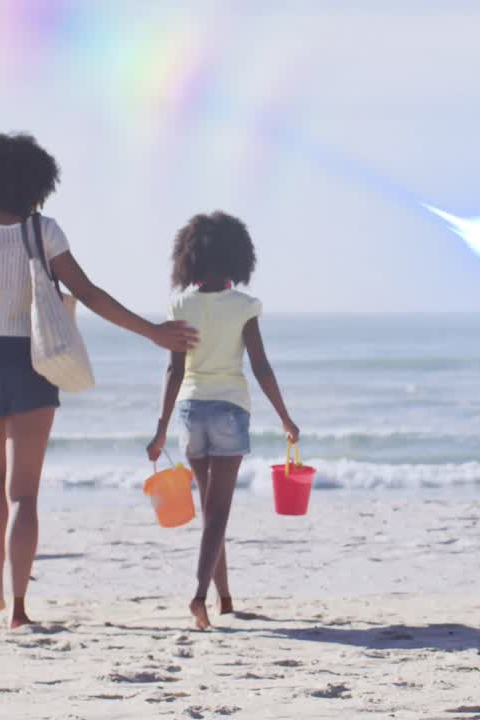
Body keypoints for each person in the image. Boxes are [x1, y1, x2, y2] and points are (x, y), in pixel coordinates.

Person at [0, 132, 198, 628]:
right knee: (25, 493)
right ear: (35, 179)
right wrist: (153, 332)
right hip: (35, 360)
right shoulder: (43, 231)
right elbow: (89, 294)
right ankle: (20, 610)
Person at [146, 211, 301, 631]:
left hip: (191, 411)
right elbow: (261, 367)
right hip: (230, 411)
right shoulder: (245, 307)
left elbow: (173, 372)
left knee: (212, 510)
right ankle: (199, 596)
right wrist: (285, 417)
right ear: (238, 257)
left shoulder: (181, 305)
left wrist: (161, 429)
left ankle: (225, 599)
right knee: (217, 512)